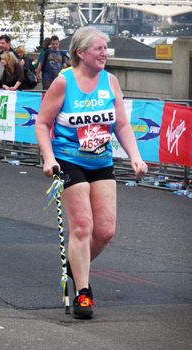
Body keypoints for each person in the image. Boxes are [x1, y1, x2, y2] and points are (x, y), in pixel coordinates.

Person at [35, 27, 148, 319]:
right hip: (68, 159)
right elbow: (42, 123)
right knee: (83, 225)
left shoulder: (110, 82)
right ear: (81, 52)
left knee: (106, 231)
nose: (104, 53)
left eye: (105, 48)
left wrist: (136, 156)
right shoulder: (64, 83)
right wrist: (48, 159)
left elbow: (122, 124)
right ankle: (83, 293)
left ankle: (76, 264)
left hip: (101, 161)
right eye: (98, 48)